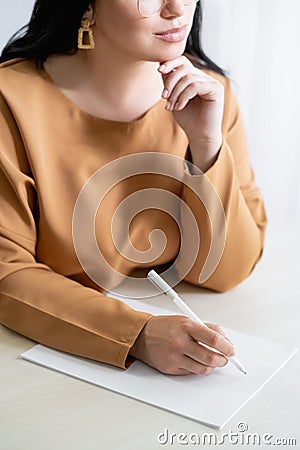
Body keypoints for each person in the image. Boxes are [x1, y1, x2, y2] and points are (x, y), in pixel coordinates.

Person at [0, 0, 267, 376]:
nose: (177, 9)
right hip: (41, 365)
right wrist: (137, 335)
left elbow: (228, 271)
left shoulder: (209, 93)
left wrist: (207, 145)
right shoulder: (10, 101)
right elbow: (7, 272)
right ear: (87, 6)